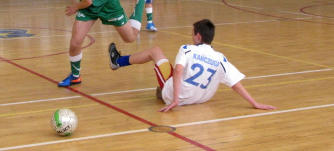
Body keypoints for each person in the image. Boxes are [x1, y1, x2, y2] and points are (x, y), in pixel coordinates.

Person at [108, 19, 277, 112]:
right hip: (201, 99)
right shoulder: (221, 58)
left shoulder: (187, 49)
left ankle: (117, 62)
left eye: (192, 34)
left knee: (156, 51)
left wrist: (174, 100)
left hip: (178, 96)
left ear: (197, 36)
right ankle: (162, 94)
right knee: (173, 75)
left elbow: (179, 70)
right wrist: (255, 103)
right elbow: (235, 84)